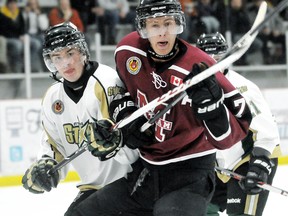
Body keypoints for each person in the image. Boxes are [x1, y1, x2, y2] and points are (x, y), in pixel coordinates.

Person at [69, 0, 253, 215]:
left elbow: (230, 135)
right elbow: (121, 92)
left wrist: (211, 108)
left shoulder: (200, 66)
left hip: (190, 176)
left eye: (168, 23)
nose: (163, 32)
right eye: (154, 25)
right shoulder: (128, 52)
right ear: (143, 28)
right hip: (144, 174)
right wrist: (127, 116)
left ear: (179, 25)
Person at [21, 22, 138, 216]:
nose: (65, 63)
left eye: (70, 53)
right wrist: (46, 167)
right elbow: (54, 147)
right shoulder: (52, 98)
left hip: (128, 181)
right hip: (91, 187)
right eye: (56, 57)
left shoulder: (107, 81)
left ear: (83, 51)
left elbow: (130, 147)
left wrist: (112, 143)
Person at [196, 32, 280, 216]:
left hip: (248, 160)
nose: (214, 63)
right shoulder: (193, 89)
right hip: (218, 166)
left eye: (218, 58)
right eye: (207, 58)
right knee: (199, 210)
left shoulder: (243, 88)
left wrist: (259, 166)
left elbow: (267, 132)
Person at [22, 0, 49, 72]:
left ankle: (46, 66)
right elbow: (21, 26)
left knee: (45, 42)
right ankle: (31, 67)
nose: (33, 6)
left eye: (34, 4)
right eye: (31, 4)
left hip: (38, 34)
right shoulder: (24, 13)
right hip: (27, 35)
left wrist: (39, 15)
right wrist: (26, 14)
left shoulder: (41, 13)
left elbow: (44, 27)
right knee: (36, 44)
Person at [0, 0, 25, 73]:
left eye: (15, 3)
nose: (14, 5)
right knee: (17, 45)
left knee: (34, 43)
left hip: (17, 37)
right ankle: (15, 67)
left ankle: (29, 67)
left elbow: (22, 26)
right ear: (8, 4)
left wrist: (22, 35)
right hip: (6, 38)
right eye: (12, 3)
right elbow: (3, 29)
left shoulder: (18, 13)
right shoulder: (2, 13)